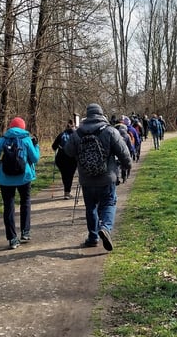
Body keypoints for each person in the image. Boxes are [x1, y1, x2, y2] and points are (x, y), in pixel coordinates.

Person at [63, 103, 132, 251]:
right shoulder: (110, 131)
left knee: (90, 207)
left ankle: (93, 237)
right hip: (107, 177)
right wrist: (127, 166)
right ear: (101, 114)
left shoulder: (78, 133)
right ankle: (105, 228)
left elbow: (67, 151)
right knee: (109, 203)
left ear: (87, 115)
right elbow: (123, 152)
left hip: (86, 178)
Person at [0, 116, 40, 249]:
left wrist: (1, 162)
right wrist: (36, 145)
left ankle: (12, 239)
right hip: (24, 177)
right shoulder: (27, 140)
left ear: (10, 127)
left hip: (5, 179)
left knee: (8, 207)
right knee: (25, 202)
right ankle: (25, 232)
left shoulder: (2, 140)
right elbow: (35, 159)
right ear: (23, 127)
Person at [51, 120, 77, 199]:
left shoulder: (61, 135)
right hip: (72, 158)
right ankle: (67, 192)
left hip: (61, 158)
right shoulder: (76, 135)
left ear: (66, 126)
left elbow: (53, 147)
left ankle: (66, 192)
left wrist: (59, 147)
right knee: (70, 175)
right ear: (74, 126)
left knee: (64, 175)